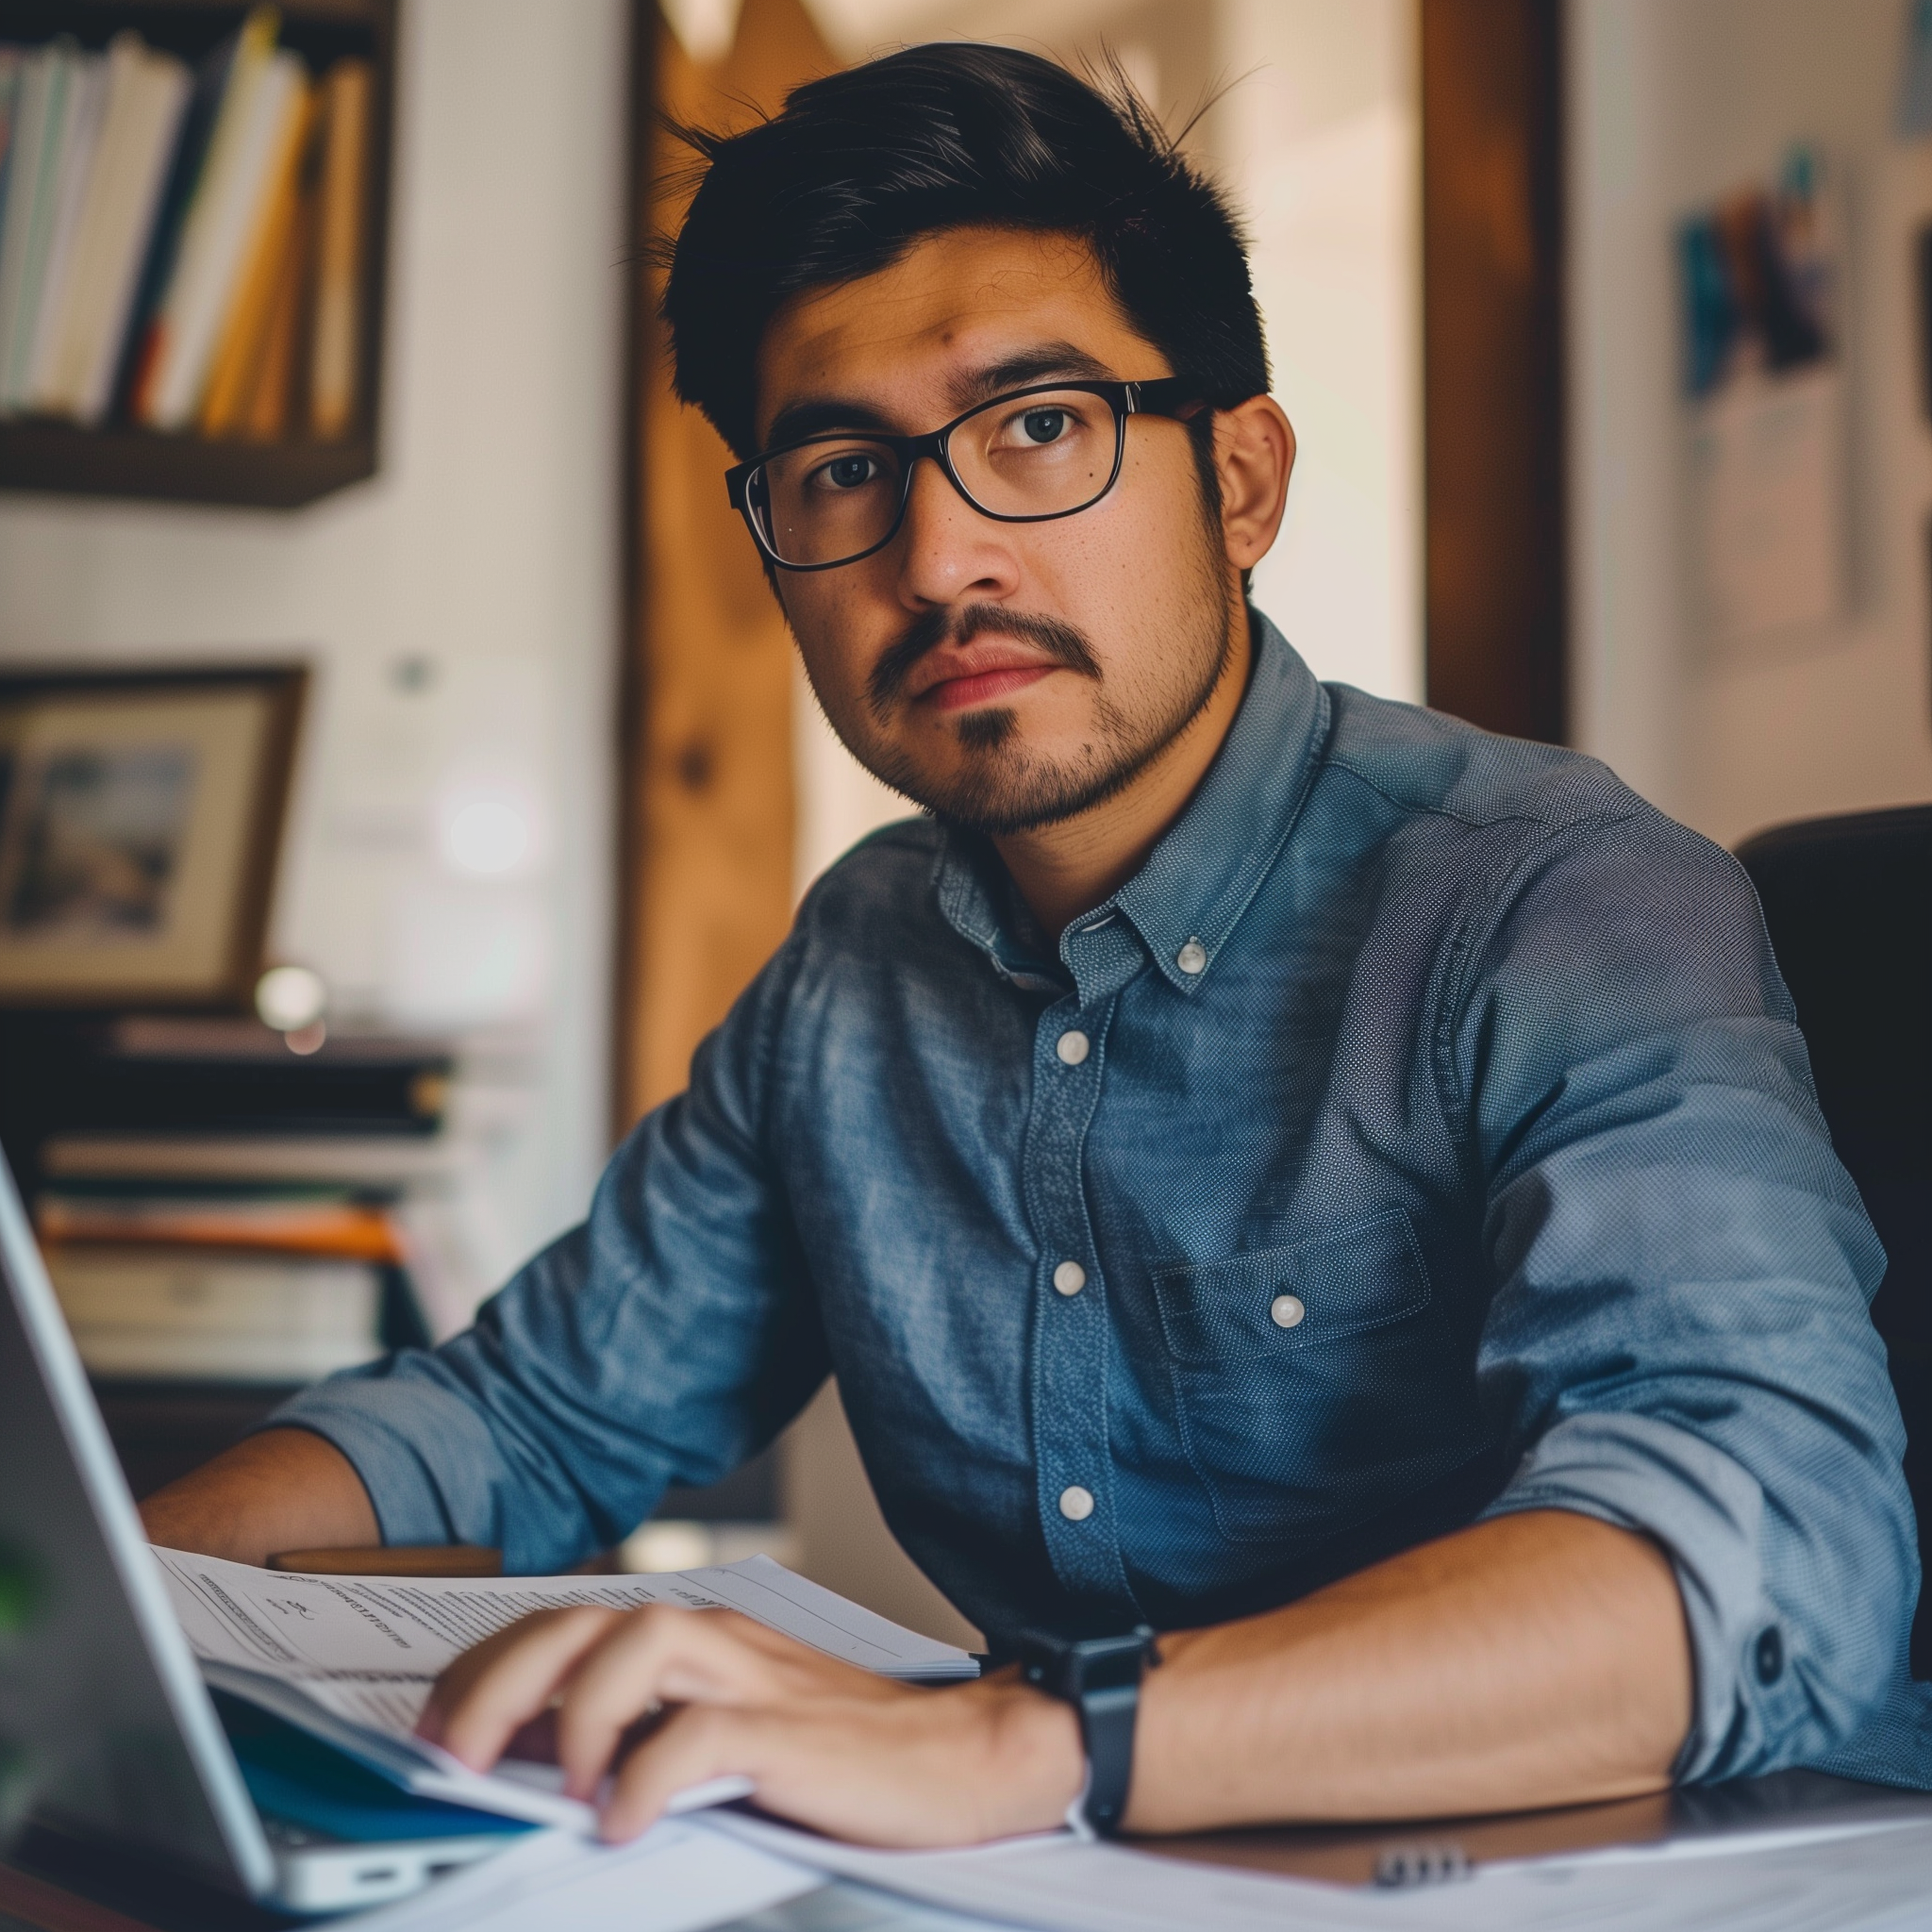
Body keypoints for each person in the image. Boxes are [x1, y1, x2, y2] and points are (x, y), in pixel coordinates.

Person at [142, 44, 1918, 1850]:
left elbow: (1770, 1533)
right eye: (840, 469)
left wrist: (1029, 1741)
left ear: (1240, 480)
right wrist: (95, 1607)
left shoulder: (1558, 902)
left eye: (1039, 429)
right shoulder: (857, 970)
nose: (937, 559)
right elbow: (519, 1423)